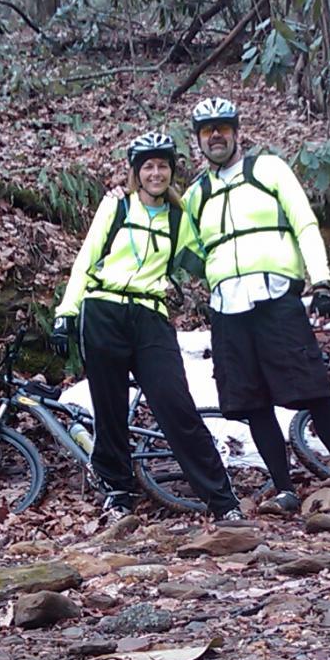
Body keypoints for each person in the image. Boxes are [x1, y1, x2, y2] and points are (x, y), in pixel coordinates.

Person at [181, 97, 330, 514]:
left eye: (223, 128)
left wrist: (320, 279)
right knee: (252, 403)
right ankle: (285, 488)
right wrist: (209, 274)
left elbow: (304, 221)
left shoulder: (268, 169)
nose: (216, 136)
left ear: (236, 131)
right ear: (198, 140)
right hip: (227, 308)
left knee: (313, 391)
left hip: (275, 301)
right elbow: (189, 248)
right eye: (207, 130)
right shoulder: (196, 193)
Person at [50, 132, 243, 523]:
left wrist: (239, 284)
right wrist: (65, 312)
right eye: (148, 167)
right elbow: (86, 258)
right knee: (110, 408)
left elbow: (202, 262)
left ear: (172, 171)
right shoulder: (117, 207)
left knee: (176, 405)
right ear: (137, 172)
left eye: (163, 166)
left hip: (151, 317)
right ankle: (119, 492)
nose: (156, 173)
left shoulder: (178, 216)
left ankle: (222, 500)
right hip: (103, 310)